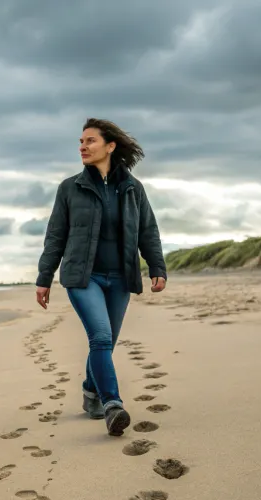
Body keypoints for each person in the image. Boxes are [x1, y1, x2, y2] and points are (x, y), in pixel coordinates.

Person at [34, 118, 167, 437]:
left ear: (110, 146)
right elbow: (55, 235)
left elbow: (148, 230)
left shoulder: (133, 188)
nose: (82, 146)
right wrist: (44, 275)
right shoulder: (70, 187)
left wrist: (157, 266)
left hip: (121, 276)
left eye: (90, 141)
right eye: (80, 142)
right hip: (83, 277)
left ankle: (91, 393)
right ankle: (112, 405)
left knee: (106, 343)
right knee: (102, 338)